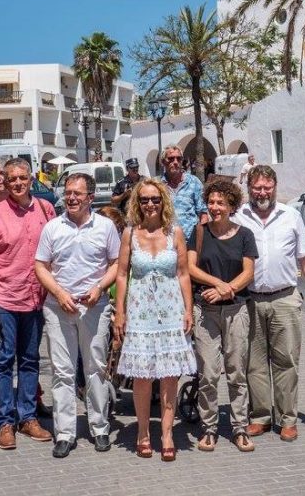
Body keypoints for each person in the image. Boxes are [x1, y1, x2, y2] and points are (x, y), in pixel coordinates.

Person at [234, 165, 305, 443]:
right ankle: (260, 416)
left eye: (267, 187)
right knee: (254, 364)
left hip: (285, 298)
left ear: (275, 187)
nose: (262, 192)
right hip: (249, 301)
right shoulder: (238, 217)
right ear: (249, 188)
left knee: (286, 361)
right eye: (257, 187)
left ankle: (287, 418)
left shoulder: (291, 216)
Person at [35, 172, 121, 459]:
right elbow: (41, 267)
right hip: (59, 308)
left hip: (94, 308)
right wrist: (59, 294)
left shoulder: (106, 227)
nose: (71, 198)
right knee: (62, 371)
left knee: (95, 368)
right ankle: (65, 432)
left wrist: (99, 289)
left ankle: (99, 427)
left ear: (90, 198)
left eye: (77, 194)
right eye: (68, 193)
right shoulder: (52, 228)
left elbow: (116, 264)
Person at [114, 178, 196, 461]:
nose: (150, 204)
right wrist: (120, 312)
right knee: (142, 376)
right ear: (138, 202)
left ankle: (167, 433)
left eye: (155, 199)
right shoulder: (129, 233)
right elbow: (122, 274)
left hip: (171, 311)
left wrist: (188, 309)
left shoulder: (175, 232)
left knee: (169, 376)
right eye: (145, 199)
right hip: (139, 312)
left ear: (164, 202)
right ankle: (142, 433)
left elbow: (184, 273)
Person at [0, 158, 55, 450]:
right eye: (12, 179)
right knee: (2, 361)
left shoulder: (46, 210)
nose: (18, 183)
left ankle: (27, 417)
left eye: (22, 178)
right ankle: (4, 422)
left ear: (32, 179)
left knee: (30, 359)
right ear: (5, 182)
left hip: (35, 299)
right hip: (4, 299)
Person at [188, 179, 257, 453]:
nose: (215, 207)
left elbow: (248, 272)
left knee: (237, 372)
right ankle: (209, 428)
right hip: (205, 311)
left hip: (236, 309)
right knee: (207, 373)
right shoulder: (200, 232)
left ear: (232, 206)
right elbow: (190, 268)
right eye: (212, 202)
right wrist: (218, 284)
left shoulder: (245, 235)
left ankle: (240, 427)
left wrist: (227, 291)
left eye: (221, 203)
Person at [161, 145, 206, 248]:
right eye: (171, 159)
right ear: (163, 162)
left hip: (191, 244)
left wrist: (200, 241)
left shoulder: (194, 182)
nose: (175, 162)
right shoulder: (158, 186)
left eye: (179, 158)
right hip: (166, 243)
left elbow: (203, 214)